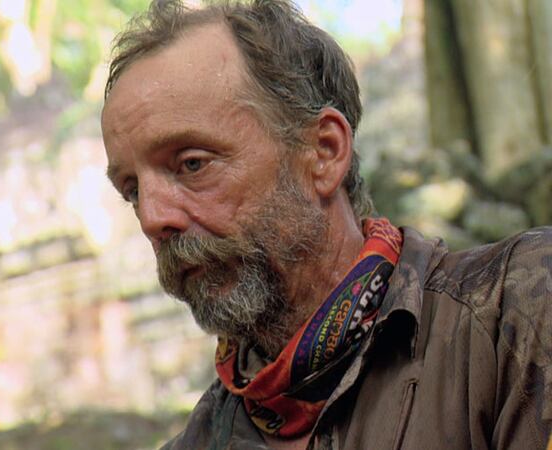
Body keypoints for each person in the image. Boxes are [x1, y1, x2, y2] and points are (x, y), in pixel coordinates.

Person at [100, 1, 552, 449]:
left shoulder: (516, 312)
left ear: (325, 152)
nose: (153, 218)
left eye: (192, 163)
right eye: (133, 191)